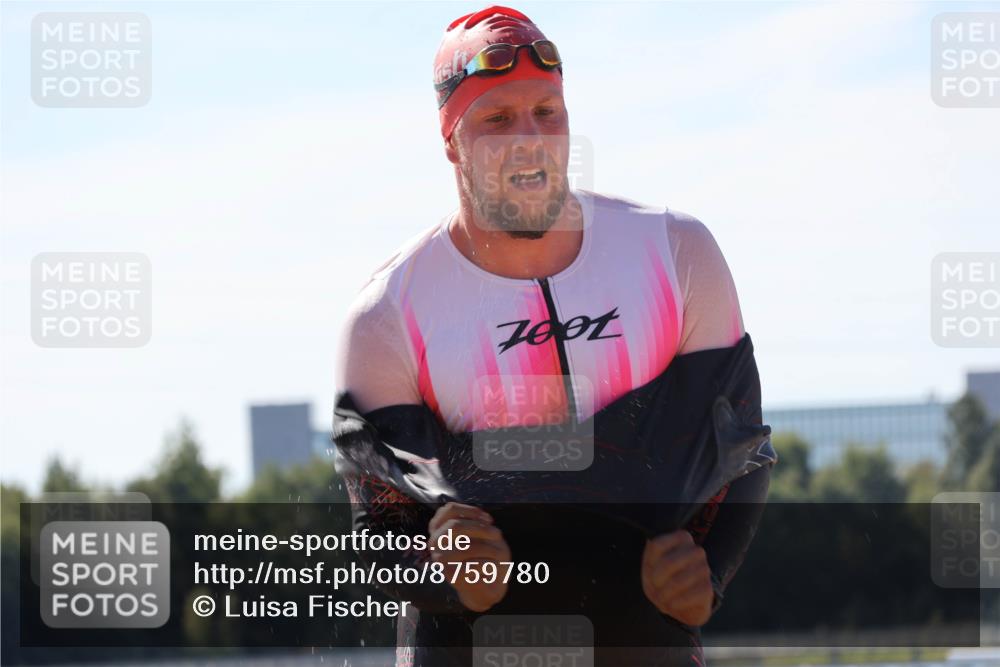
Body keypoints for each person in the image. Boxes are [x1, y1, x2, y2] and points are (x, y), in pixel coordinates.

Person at [333, 6, 773, 665]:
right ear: (451, 140)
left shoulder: (677, 254)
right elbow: (379, 528)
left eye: (547, 110)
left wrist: (705, 569)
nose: (529, 137)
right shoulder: (389, 312)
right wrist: (442, 572)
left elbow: (741, 453)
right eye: (497, 118)